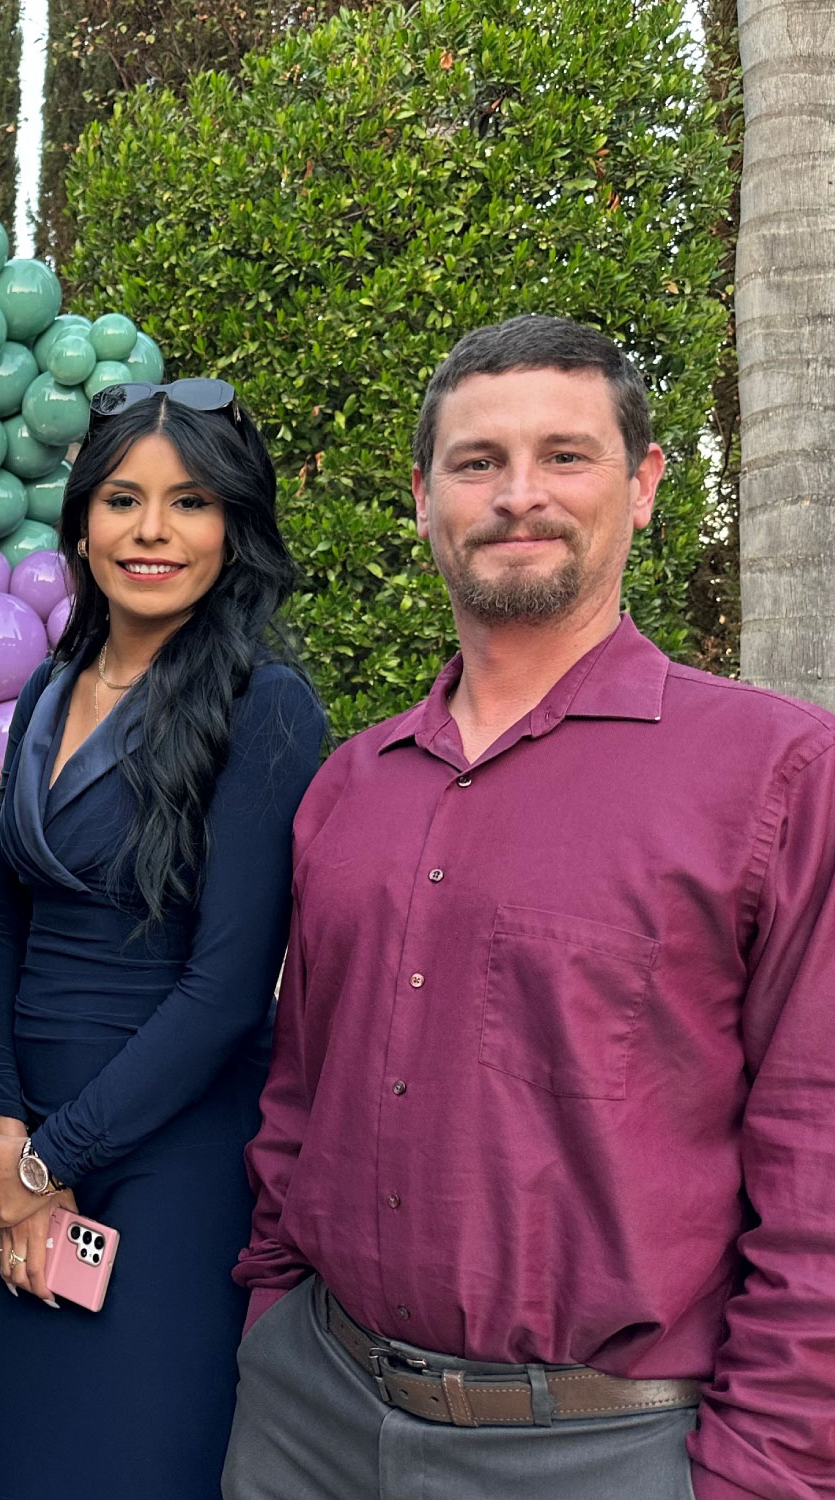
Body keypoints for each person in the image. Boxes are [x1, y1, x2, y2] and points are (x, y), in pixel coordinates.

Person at [225, 315, 835, 1500]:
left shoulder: (778, 774)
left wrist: (770, 1468)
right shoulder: (351, 787)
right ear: (421, 499)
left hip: (605, 1450)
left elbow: (820, 1153)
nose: (519, 495)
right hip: (311, 1416)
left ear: (645, 483)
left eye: (566, 455)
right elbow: (302, 1086)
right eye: (476, 462)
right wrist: (269, 1316)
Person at [0, 378, 325, 1500]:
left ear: (235, 527)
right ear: (81, 521)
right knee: (26, 1469)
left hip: (167, 1159)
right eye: (123, 499)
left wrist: (46, 1163)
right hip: (24, 1153)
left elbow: (226, 992)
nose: (153, 531)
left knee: (138, 1464)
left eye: (192, 502)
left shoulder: (267, 705)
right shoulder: (49, 690)